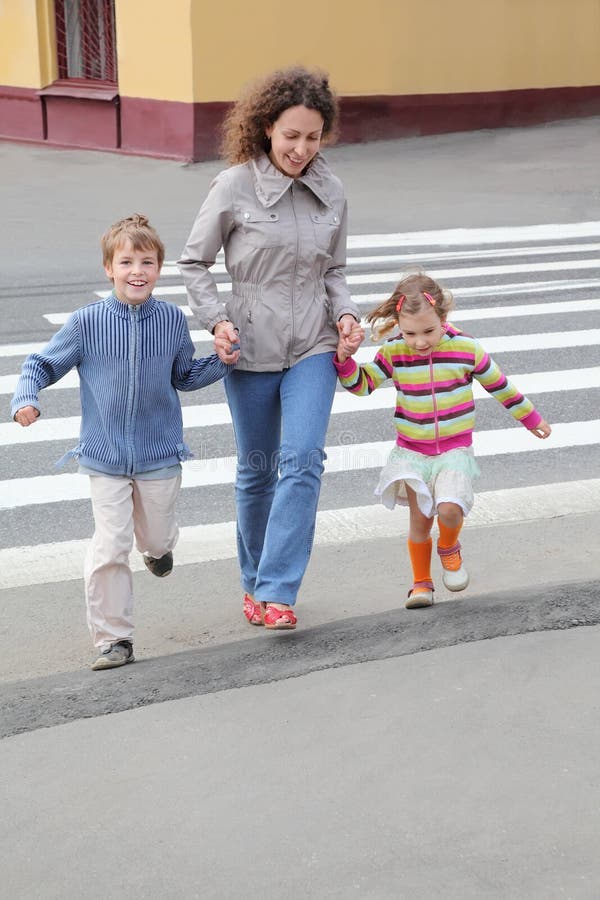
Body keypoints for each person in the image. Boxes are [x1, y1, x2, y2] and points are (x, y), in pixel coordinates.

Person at [178, 65, 361, 631]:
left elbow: (335, 270)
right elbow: (193, 262)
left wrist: (348, 313)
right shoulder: (234, 185)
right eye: (291, 136)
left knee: (302, 462)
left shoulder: (332, 189)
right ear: (266, 129)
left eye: (312, 137)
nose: (301, 149)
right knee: (258, 469)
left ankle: (279, 588)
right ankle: (253, 581)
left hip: (314, 344)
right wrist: (216, 322)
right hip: (250, 347)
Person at [11, 214, 233, 669]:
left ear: (158, 268)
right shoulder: (87, 323)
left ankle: (157, 551)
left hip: (158, 454)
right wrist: (25, 398)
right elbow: (41, 364)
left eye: (147, 262)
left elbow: (184, 376)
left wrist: (223, 361)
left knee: (154, 535)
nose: (138, 270)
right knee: (111, 544)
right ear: (108, 269)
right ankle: (114, 639)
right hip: (104, 455)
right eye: (126, 261)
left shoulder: (170, 319)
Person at [334, 271, 552, 608]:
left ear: (443, 319)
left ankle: (449, 546)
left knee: (450, 509)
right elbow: (362, 386)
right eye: (410, 333)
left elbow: (500, 385)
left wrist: (530, 417)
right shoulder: (394, 352)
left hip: (454, 449)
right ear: (397, 325)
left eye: (428, 332)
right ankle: (421, 584)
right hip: (411, 452)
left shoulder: (466, 349)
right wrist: (345, 361)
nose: (420, 342)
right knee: (420, 519)